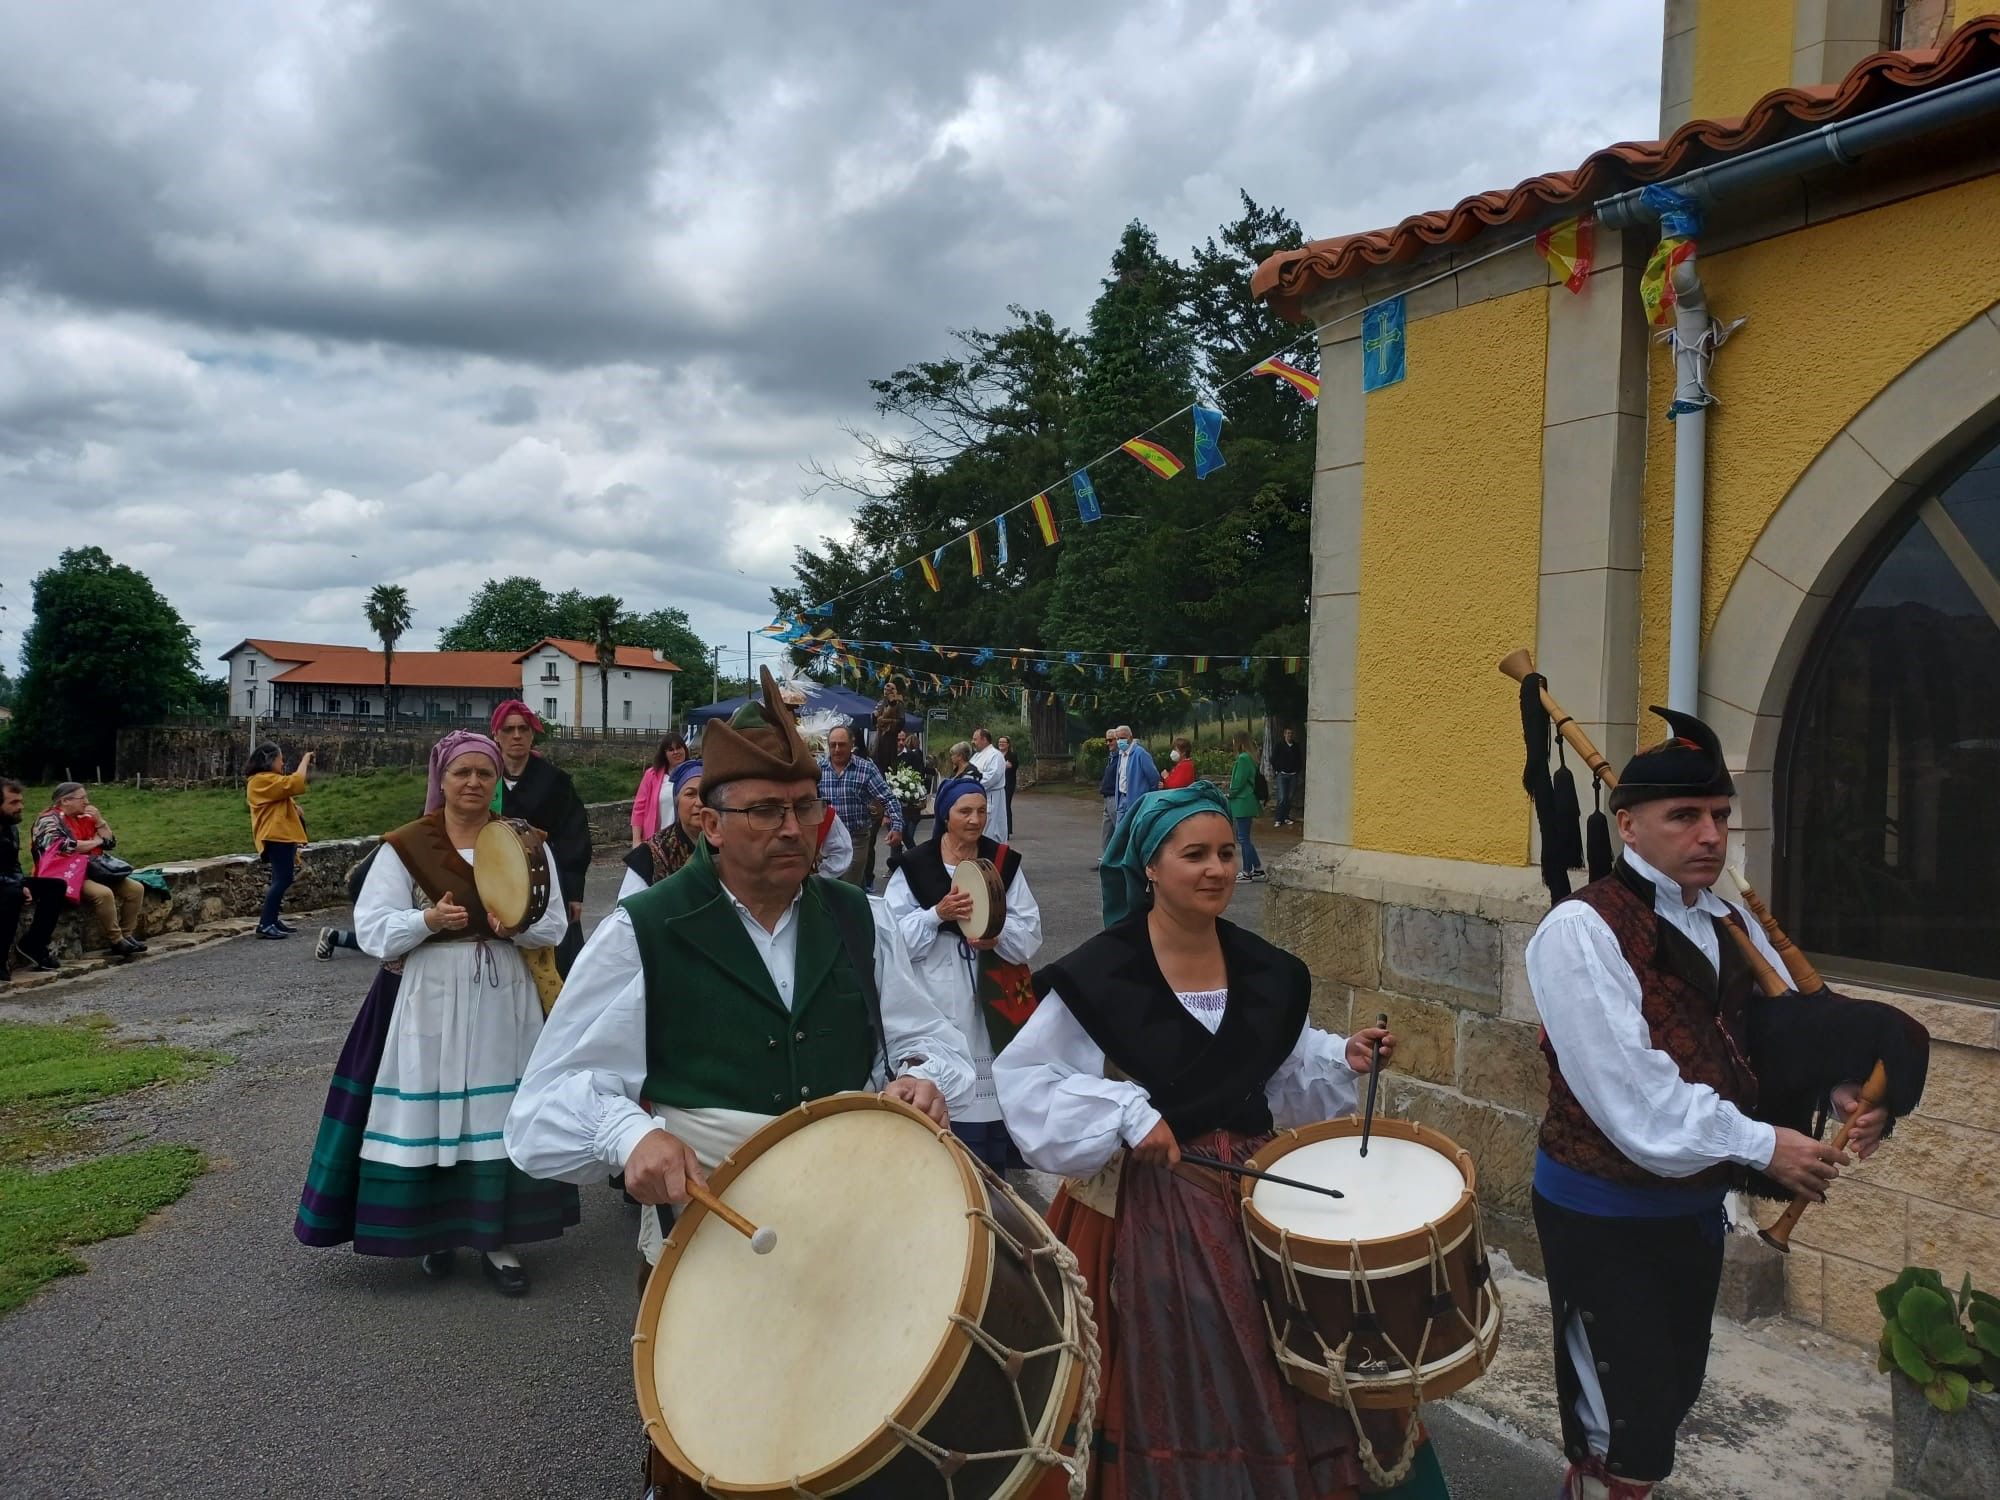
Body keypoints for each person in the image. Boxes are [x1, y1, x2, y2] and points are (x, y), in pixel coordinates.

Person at [993, 783, 1445, 1499]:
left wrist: (1344, 1057)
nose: (1216, 870)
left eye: (1227, 853)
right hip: (1155, 1208)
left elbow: (1284, 1067)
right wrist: (1126, 1114)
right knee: (1190, 1356)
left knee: (1301, 1353)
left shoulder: (1267, 970)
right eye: (1194, 854)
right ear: (1150, 865)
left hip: (1266, 1197)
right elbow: (1028, 1080)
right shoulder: (1100, 973)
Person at [1526, 707, 1929, 1499]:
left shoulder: (1724, 918)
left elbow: (1749, 1042)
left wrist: (1834, 1085)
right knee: (1617, 1415)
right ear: (1629, 826)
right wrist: (1763, 1145)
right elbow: (1634, 1099)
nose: (1710, 835)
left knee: (1672, 1391)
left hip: (1690, 1205)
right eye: (1684, 816)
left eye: (1718, 816)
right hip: (1601, 1207)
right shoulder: (1583, 930)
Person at [506, 667, 974, 1284]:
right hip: (710, 1236)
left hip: (856, 1217)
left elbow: (932, 1041)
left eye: (805, 807)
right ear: (712, 824)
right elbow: (542, 1105)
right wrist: (628, 1134)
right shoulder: (644, 931)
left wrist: (922, 1078)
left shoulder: (863, 919)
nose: (790, 827)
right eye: (764, 810)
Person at [293, 731, 580, 1296]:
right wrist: (426, 923)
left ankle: (497, 1240)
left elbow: (554, 926)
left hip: (503, 997)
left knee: (494, 1113)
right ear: (441, 780)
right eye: (462, 773)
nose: (473, 783)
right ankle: (434, 1234)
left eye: (485, 773)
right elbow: (375, 928)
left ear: (497, 782)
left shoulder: (526, 843)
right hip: (428, 995)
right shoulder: (407, 846)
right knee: (430, 1111)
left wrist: (517, 927)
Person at [883, 776, 1042, 1173]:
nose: (975, 820)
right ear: (945, 814)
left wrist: (997, 935)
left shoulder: (1002, 863)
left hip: (993, 998)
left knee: (993, 1098)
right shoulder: (916, 867)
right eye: (964, 811)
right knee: (950, 1097)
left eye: (982, 811)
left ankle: (996, 1178)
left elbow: (1031, 932)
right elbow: (891, 940)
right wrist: (938, 914)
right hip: (938, 995)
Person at [490, 700, 592, 975]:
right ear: (496, 735)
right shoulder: (484, 778)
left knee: (558, 963)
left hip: (548, 881)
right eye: (508, 729)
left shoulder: (554, 781)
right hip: (494, 880)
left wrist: (574, 893)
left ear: (532, 733)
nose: (516, 736)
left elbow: (574, 835)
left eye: (523, 728)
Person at [32, 782, 145, 957]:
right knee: (103, 894)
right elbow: (64, 846)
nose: (86, 802)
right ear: (65, 800)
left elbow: (110, 842)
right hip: (66, 873)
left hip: (94, 869)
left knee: (135, 889)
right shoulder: (48, 820)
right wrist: (95, 841)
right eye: (82, 798)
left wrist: (100, 822)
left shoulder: (85, 816)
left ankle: (127, 934)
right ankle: (116, 940)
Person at [819, 723, 902, 892]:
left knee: (848, 888)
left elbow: (888, 798)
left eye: (841, 745)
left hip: (855, 838)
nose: (836, 749)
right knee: (826, 887)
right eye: (832, 745)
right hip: (825, 840)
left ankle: (850, 915)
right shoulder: (818, 769)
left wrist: (897, 826)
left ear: (852, 744)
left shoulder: (865, 769)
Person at [247, 742, 313, 940]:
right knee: (283, 879)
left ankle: (272, 920)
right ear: (269, 760)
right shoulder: (259, 781)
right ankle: (265, 924)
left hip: (282, 836)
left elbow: (283, 798)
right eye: (280, 759)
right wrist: (305, 759)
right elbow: (295, 782)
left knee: (280, 879)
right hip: (275, 836)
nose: (282, 762)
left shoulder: (269, 780)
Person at [2, 778, 65, 980]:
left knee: (55, 887)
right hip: (4, 885)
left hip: (7, 880)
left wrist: (21, 883)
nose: (20, 807)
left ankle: (34, 943)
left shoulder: (9, 827)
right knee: (12, 895)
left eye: (20, 801)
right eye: (13, 802)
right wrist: (15, 885)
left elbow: (13, 863)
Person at [618, 759, 704, 897]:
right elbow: (628, 909)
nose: (700, 802)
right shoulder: (649, 854)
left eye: (705, 794)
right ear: (677, 802)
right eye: (690, 794)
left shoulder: (728, 846)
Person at [629, 731, 689, 847]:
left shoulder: (695, 773)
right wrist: (636, 841)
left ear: (685, 749)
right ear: (664, 754)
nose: (676, 752)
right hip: (657, 840)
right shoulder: (651, 775)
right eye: (671, 750)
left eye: (679, 748)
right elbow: (638, 809)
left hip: (687, 840)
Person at [1227, 733, 1267, 882]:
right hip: (1247, 801)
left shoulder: (1243, 759)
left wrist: (1230, 793)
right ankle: (1257, 868)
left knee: (1243, 839)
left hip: (1242, 802)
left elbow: (1238, 781)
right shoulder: (1250, 758)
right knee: (1245, 838)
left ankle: (1247, 871)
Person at [969, 727, 1009, 842]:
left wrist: (973, 784)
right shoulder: (976, 755)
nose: (973, 742)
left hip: (992, 797)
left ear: (984, 739)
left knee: (992, 830)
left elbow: (992, 777)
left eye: (975, 739)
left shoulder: (995, 755)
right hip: (978, 796)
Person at [1113, 725, 1159, 823]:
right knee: (1119, 831)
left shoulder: (1140, 753)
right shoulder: (1121, 754)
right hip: (1122, 798)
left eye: (1122, 738)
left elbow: (1153, 777)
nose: (1119, 741)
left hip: (1136, 800)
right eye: (1117, 738)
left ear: (1130, 738)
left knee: (1133, 829)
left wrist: (1147, 794)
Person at [1092, 727, 1122, 870]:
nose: (1108, 743)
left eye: (1111, 740)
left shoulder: (1121, 757)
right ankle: (1105, 860)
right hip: (1107, 796)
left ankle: (1119, 860)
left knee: (1119, 829)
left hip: (1114, 797)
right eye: (1107, 740)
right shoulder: (1111, 757)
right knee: (1106, 831)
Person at [1271, 725, 1303, 827]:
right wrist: (1277, 769)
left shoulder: (1296, 746)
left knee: (1289, 797)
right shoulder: (1279, 745)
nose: (1289, 735)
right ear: (1284, 734)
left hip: (1293, 775)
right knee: (1282, 797)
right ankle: (1278, 818)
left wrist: (1297, 770)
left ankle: (1286, 817)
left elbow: (1299, 759)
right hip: (1282, 774)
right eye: (1288, 733)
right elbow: (1273, 759)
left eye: (1291, 733)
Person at [872, 680, 905, 771]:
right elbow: (875, 719)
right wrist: (875, 717)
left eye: (889, 689)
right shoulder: (881, 702)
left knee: (889, 762)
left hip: (890, 737)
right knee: (878, 759)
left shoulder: (899, 704)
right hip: (880, 736)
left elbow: (901, 722)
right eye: (885, 689)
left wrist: (887, 721)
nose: (886, 691)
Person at [998, 734, 1020, 832]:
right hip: (998, 784)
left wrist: (1001, 766)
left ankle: (1007, 828)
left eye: (1003, 742)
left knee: (1006, 805)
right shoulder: (996, 754)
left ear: (1008, 744)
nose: (1001, 744)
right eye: (1000, 742)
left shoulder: (1012, 755)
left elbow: (1010, 766)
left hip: (1008, 784)